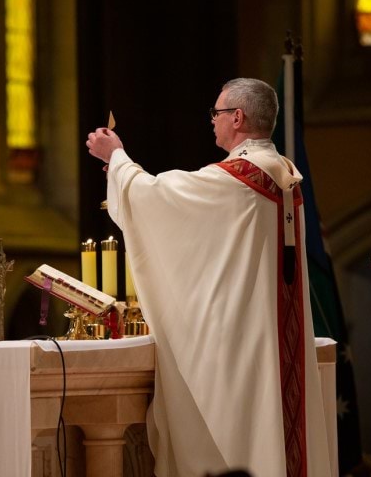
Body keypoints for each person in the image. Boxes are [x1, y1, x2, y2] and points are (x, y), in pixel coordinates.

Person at [86, 78, 331, 477]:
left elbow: (154, 198)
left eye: (216, 113)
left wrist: (116, 158)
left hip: (240, 347)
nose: (212, 122)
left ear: (237, 117)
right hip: (273, 337)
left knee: (236, 440)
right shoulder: (285, 171)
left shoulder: (240, 176)